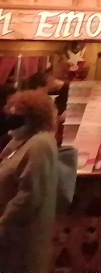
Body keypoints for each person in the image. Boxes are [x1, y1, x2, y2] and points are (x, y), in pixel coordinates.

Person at [0, 89, 59, 273]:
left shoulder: (40, 144)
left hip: (22, 236)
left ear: (34, 117)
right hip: (12, 235)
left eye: (17, 115)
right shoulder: (22, 141)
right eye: (10, 113)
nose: (11, 118)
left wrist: (3, 221)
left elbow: (30, 194)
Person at [26, 67, 69, 146]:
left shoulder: (66, 90)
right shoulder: (39, 100)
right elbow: (44, 122)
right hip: (43, 139)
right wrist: (60, 119)